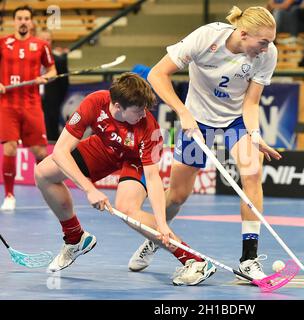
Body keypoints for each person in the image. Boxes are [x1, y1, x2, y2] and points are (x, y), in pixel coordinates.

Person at [128, 6, 282, 281]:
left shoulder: (266, 54)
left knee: (253, 173)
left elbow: (251, 102)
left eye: (270, 42)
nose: (267, 48)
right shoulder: (206, 38)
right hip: (197, 119)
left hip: (236, 120)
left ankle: (248, 259)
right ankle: (158, 236)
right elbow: (156, 75)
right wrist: (183, 112)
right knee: (177, 195)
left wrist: (255, 134)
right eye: (263, 42)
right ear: (244, 34)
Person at [34, 73, 216, 286]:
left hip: (134, 160)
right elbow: (60, 151)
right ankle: (75, 238)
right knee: (43, 173)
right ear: (118, 106)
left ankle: (195, 261)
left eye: (145, 109)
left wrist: (162, 224)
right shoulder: (95, 102)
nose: (143, 114)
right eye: (138, 111)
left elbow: (153, 178)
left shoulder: (150, 128)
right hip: (104, 148)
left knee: (127, 209)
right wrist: (89, 189)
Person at [0, 5, 57, 211]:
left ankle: (51, 193)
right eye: (19, 18)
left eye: (26, 18)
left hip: (32, 104)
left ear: (31, 22)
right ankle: (9, 195)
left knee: (40, 152)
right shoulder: (2, 43)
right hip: (7, 105)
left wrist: (45, 77)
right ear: (14, 21)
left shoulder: (41, 45)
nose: (23, 21)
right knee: (9, 147)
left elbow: (52, 70)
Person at [37, 30, 70, 141]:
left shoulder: (59, 60)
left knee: (51, 125)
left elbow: (64, 83)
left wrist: (57, 99)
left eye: (48, 39)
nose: (46, 42)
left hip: (52, 100)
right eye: (43, 39)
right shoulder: (30, 59)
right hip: (32, 98)